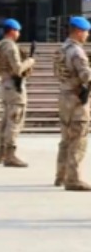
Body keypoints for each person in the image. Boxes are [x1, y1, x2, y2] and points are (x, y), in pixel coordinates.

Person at [53, 16, 91, 191]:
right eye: (86, 32)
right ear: (78, 31)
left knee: (66, 138)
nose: (87, 35)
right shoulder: (76, 52)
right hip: (76, 99)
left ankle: (61, 175)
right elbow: (86, 76)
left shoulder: (62, 49)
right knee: (78, 138)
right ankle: (73, 179)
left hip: (64, 96)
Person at [0, 18, 35, 168]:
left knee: (6, 120)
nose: (19, 34)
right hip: (13, 85)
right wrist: (30, 61)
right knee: (14, 121)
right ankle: (10, 155)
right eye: (17, 31)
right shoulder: (10, 47)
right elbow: (17, 69)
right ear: (12, 31)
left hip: (4, 84)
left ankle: (2, 153)